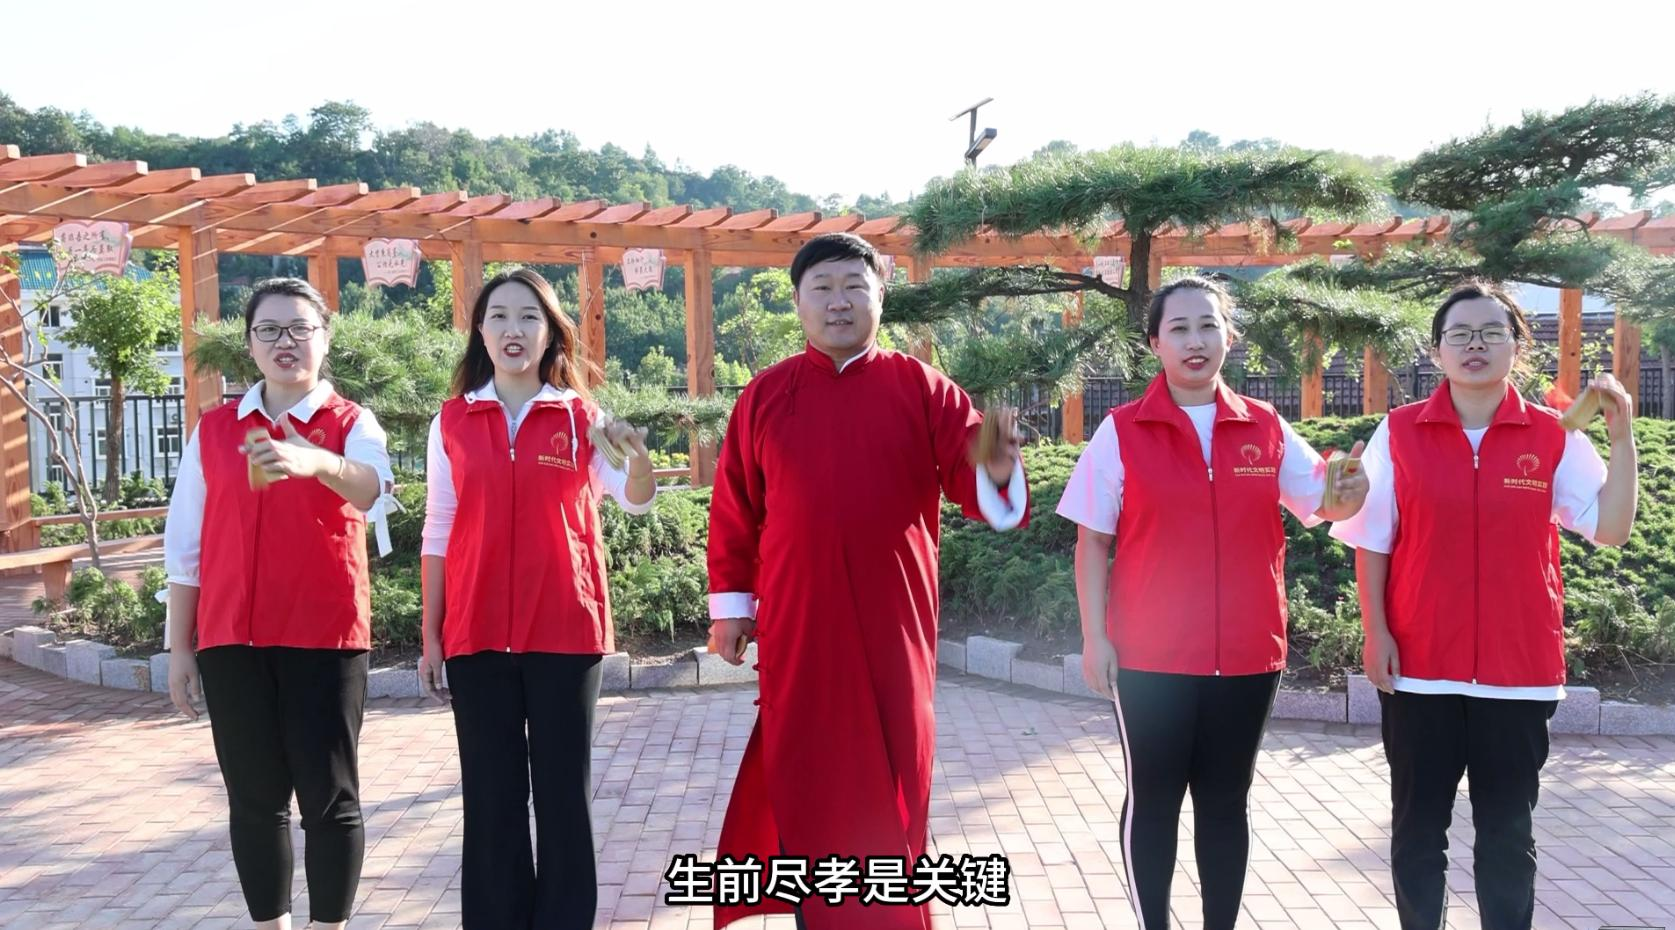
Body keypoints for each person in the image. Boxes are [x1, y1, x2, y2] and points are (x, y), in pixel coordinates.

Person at [705, 232, 1029, 930]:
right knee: (807, 773)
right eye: (821, 288)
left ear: (881, 295)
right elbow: (734, 510)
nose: (839, 301)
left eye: (855, 285)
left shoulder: (924, 389)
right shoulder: (765, 396)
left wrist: (998, 468)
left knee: (898, 768)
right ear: (798, 303)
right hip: (799, 624)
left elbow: (977, 485)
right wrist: (731, 609)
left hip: (895, 623)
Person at [1056, 276, 1370, 930]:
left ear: (1229, 336)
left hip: (1248, 654)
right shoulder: (1121, 432)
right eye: (1178, 328)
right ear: (1155, 343)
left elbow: (1325, 505)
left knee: (1226, 802)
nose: (1194, 341)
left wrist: (1347, 489)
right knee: (1155, 798)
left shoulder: (1265, 426)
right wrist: (1094, 637)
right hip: (1149, 659)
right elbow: (1092, 543)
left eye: (1208, 326)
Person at [1330, 281, 1639, 930]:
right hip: (1420, 667)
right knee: (1418, 832)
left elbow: (1610, 528)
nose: (1475, 345)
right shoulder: (1398, 433)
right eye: (1460, 334)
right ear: (1436, 351)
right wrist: (1375, 632)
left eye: (1492, 333)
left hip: (1518, 671)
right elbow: (1372, 539)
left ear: (1516, 347)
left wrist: (1621, 438)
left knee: (1507, 836)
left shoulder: (1553, 435)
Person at [416, 267, 657, 930]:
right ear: (480, 332)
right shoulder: (452, 421)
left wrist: (638, 459)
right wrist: (433, 634)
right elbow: (438, 528)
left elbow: (635, 500)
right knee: (491, 799)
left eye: (529, 316)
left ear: (551, 332)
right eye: (498, 316)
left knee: (562, 796)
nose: (513, 329)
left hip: (565, 630)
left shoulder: (582, 417)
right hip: (476, 634)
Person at [165, 277, 395, 930]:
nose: (284, 342)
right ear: (249, 344)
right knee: (254, 802)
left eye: (300, 328)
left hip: (325, 636)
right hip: (231, 640)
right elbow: (185, 547)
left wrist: (314, 459)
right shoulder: (215, 430)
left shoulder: (352, 423)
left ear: (326, 338)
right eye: (268, 330)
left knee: (330, 800)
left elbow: (372, 490)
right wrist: (180, 648)